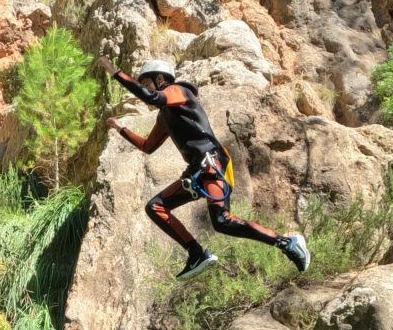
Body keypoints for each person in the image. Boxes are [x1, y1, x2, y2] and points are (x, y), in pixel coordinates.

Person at [96, 56, 311, 280]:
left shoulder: (179, 92)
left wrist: (115, 72)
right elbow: (148, 146)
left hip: (212, 163)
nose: (145, 90)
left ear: (161, 79)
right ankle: (196, 253)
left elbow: (152, 96)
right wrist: (121, 129)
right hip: (197, 171)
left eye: (147, 83)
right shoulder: (164, 116)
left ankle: (289, 242)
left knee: (222, 221)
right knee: (156, 207)